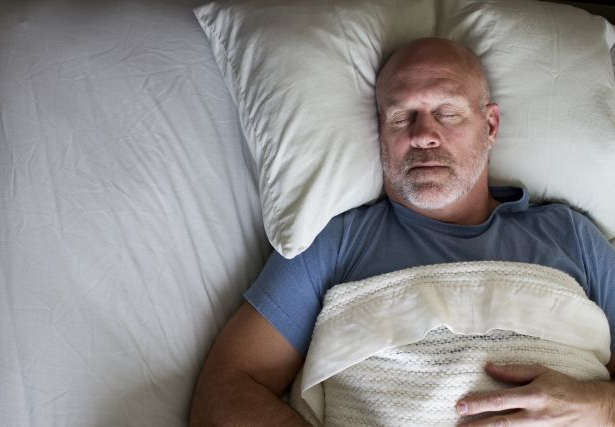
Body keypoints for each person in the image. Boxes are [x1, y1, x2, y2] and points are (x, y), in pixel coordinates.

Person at [190, 37, 615, 426]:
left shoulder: (572, 236)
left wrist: (602, 406)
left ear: (490, 127)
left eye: (446, 112)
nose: (423, 135)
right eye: (401, 116)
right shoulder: (336, 243)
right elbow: (225, 388)